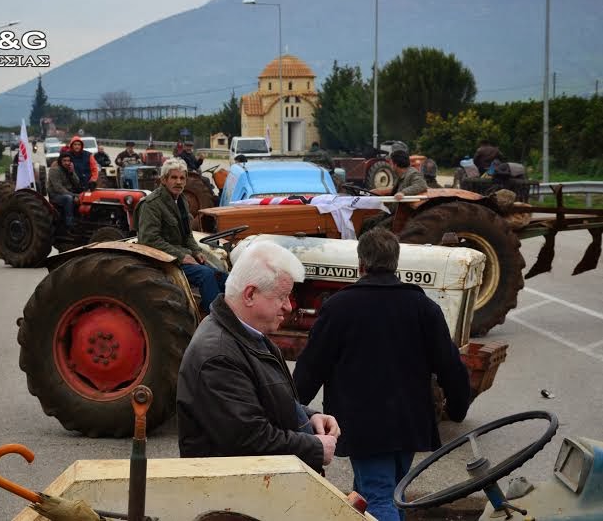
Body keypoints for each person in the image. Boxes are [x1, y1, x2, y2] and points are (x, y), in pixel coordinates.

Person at [293, 227, 471, 521]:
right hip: (410, 423)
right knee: (380, 494)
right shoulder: (424, 308)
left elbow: (313, 366)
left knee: (378, 498)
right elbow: (450, 364)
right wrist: (458, 406)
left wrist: (291, 409)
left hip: (364, 426)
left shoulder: (339, 308)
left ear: (360, 264)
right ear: (396, 263)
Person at [177, 239, 340, 473]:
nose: (288, 307)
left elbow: (267, 403)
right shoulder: (218, 355)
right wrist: (313, 447)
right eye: (282, 296)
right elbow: (248, 439)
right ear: (250, 294)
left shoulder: (250, 337)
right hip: (239, 499)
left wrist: (308, 417)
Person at [136, 158, 226, 313]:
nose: (179, 182)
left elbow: (187, 234)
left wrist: (196, 251)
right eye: (174, 177)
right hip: (163, 259)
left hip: (180, 254)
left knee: (221, 275)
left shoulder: (182, 200)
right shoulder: (151, 204)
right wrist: (181, 256)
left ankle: (234, 311)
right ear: (164, 180)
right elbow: (149, 240)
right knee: (205, 275)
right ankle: (212, 316)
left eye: (182, 178)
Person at [47, 153, 79, 229]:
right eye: (64, 161)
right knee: (68, 198)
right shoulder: (54, 170)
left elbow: (77, 182)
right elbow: (58, 188)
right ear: (60, 161)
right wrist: (73, 195)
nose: (67, 163)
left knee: (84, 196)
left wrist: (72, 172)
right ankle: (69, 222)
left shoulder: (69, 170)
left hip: (68, 193)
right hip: (55, 195)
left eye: (68, 161)